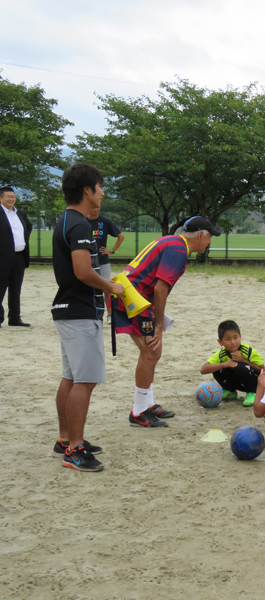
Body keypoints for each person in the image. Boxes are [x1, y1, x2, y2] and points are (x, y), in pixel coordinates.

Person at [51, 164, 124, 471]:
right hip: (80, 311)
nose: (103, 192)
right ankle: (75, 450)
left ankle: (65, 439)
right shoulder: (79, 224)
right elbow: (83, 272)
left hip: (67, 310)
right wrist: (111, 287)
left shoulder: (65, 220)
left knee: (71, 377)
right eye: (100, 186)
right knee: (86, 379)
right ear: (87, 190)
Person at [113, 215, 218, 427]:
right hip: (133, 300)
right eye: (209, 237)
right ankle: (139, 411)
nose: (210, 242)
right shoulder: (179, 249)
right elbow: (160, 289)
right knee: (151, 352)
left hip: (131, 296)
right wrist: (159, 325)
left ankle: (147, 403)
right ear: (199, 235)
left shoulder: (172, 241)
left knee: (152, 352)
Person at [200, 320, 264, 407]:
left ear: (240, 337)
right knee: (217, 367)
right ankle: (230, 391)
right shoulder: (221, 354)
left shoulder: (248, 351)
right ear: (220, 342)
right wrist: (223, 364)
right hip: (239, 383)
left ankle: (252, 393)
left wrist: (244, 360)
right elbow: (203, 370)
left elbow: (262, 370)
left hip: (253, 382)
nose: (233, 342)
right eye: (228, 339)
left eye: (235, 337)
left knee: (239, 366)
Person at [0, 185, 33, 327]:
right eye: (8, 196)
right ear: (1, 198)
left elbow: (28, 227)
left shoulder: (20, 213)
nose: (11, 199)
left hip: (19, 256)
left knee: (16, 288)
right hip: (2, 257)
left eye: (13, 196)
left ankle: (14, 317)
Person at [87, 207, 125, 308]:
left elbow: (121, 236)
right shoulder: (83, 222)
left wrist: (112, 251)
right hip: (87, 261)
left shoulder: (105, 222)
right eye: (93, 207)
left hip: (103, 260)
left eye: (98, 207)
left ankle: (109, 315)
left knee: (107, 289)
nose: (95, 209)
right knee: (89, 289)